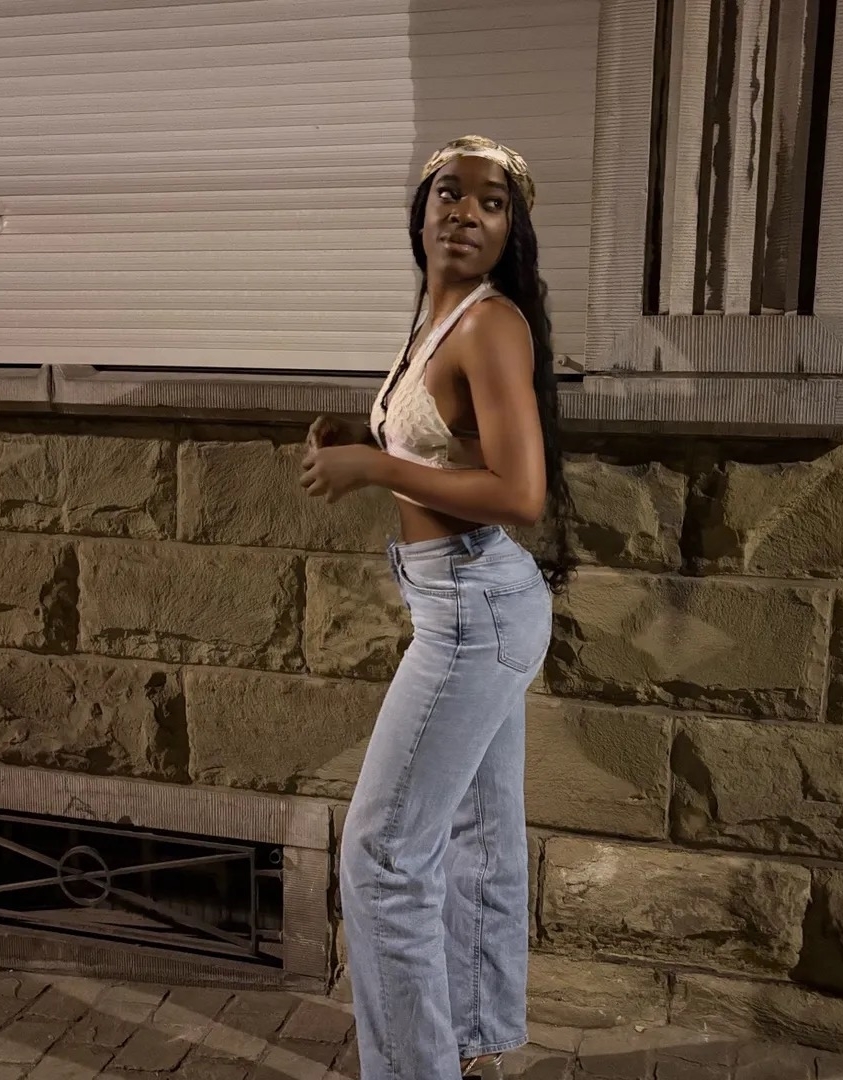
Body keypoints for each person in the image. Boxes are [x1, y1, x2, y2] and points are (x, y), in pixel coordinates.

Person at [300, 135, 575, 1080]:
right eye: (448, 193)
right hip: (467, 603)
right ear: (419, 213)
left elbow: (520, 494)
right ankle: (469, 1047)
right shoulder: (438, 316)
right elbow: (443, 444)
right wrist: (363, 435)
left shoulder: (491, 325)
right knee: (476, 838)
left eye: (491, 202)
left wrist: (372, 467)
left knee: (382, 856)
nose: (465, 211)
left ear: (510, 231)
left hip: (475, 612)